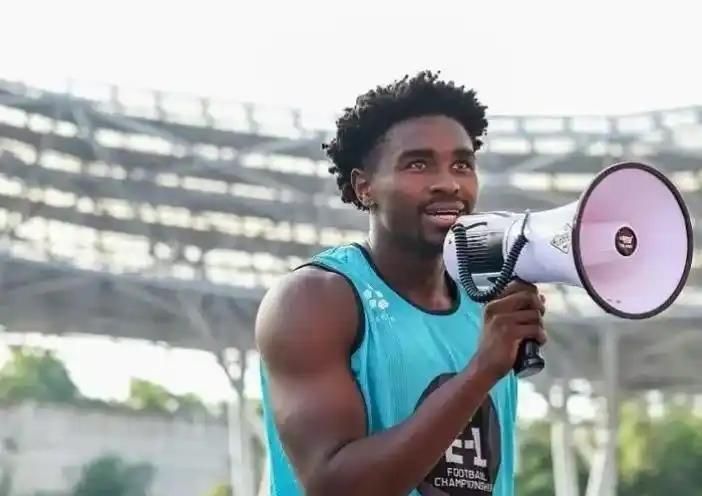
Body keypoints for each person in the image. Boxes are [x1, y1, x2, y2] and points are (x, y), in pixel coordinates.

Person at [255, 70, 548, 496]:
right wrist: (481, 370)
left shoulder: (486, 300)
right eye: (418, 164)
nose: (448, 183)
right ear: (364, 187)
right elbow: (335, 486)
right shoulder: (313, 300)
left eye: (462, 164)